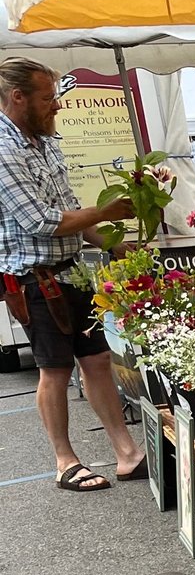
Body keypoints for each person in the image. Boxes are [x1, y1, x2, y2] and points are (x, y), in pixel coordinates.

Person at [0, 57, 144, 492]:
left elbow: (72, 210)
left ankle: (127, 452)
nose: (57, 107)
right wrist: (107, 211)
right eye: (48, 99)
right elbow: (41, 221)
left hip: (72, 272)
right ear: (17, 97)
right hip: (34, 278)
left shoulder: (44, 142)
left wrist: (115, 243)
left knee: (98, 360)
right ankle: (65, 461)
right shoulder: (3, 150)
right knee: (55, 369)